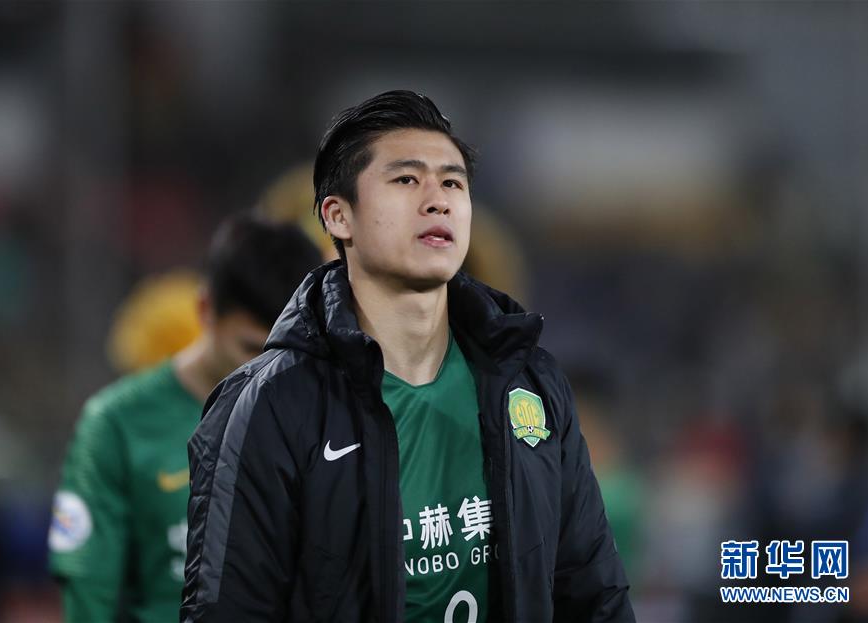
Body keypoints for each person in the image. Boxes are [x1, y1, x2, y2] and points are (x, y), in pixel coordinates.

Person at [182, 91, 634, 623]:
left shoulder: (530, 381)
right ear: (338, 216)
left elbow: (594, 596)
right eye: (406, 179)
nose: (437, 200)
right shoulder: (268, 405)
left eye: (452, 183)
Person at [48, 214, 323, 623]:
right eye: (252, 348)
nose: (270, 370)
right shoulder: (116, 425)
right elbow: (90, 593)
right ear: (205, 309)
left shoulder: (326, 417)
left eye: (289, 352)